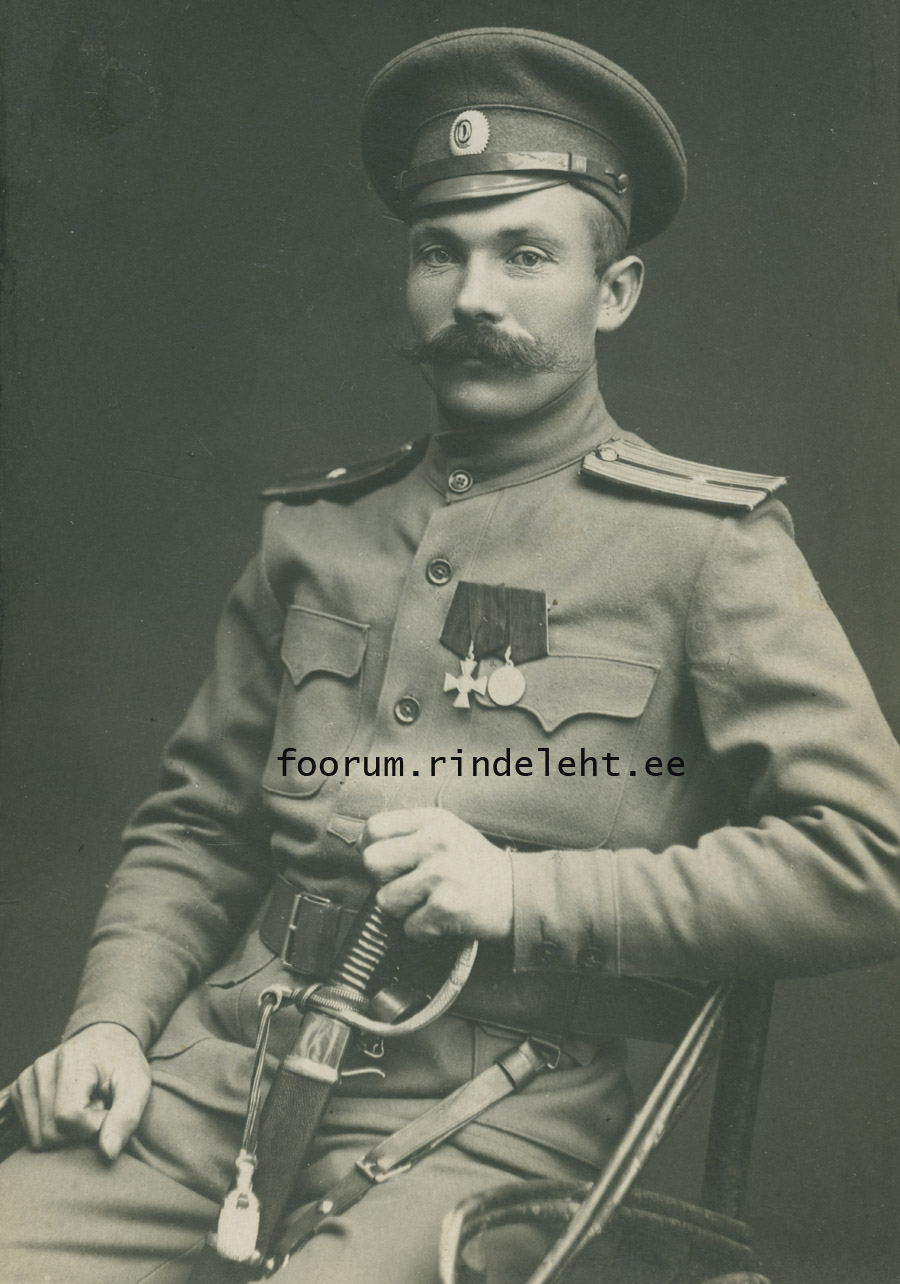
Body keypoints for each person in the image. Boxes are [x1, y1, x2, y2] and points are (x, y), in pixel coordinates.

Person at [3, 25, 900, 1284]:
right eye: (442, 250)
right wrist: (109, 1023)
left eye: (526, 254)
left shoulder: (706, 550)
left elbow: (873, 856)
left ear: (616, 291)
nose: (475, 296)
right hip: (227, 1063)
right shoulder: (318, 533)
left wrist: (528, 896)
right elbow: (198, 825)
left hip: (494, 1109)